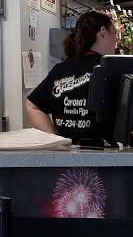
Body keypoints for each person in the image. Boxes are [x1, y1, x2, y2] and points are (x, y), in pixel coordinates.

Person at [25, 11, 117, 141]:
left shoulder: (59, 69)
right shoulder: (112, 69)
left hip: (67, 152)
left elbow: (32, 106)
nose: (116, 40)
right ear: (103, 32)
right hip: (105, 152)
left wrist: (56, 140)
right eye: (114, 33)